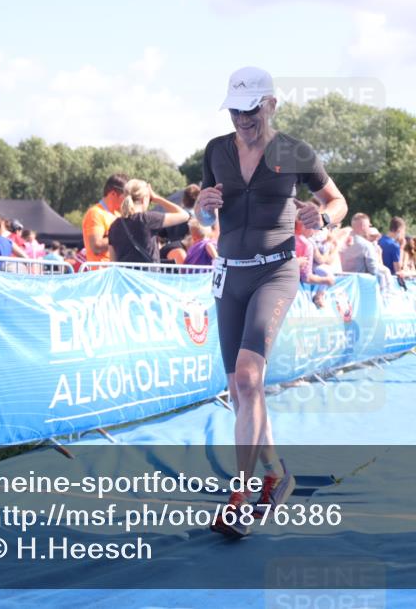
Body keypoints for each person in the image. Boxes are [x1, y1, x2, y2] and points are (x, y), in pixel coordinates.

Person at [195, 66, 347, 538]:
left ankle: (238, 495)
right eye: (235, 110)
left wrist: (319, 216)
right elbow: (203, 213)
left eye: (251, 110)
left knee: (249, 377)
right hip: (230, 276)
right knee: (240, 391)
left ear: (271, 105)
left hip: (276, 271)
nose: (242, 119)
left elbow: (336, 202)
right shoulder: (216, 151)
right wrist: (203, 205)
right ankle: (276, 473)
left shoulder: (294, 151)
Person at [108, 180, 191, 263]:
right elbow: (184, 215)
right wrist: (157, 198)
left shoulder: (114, 225)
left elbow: (113, 261)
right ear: (144, 199)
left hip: (125, 275)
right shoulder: (147, 219)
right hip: (148, 274)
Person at [82, 173, 128, 264]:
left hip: (115, 271)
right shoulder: (95, 213)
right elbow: (96, 247)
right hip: (101, 273)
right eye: (125, 197)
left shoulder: (118, 215)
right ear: (113, 194)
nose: (128, 201)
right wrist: (124, 236)